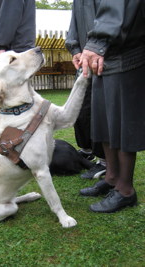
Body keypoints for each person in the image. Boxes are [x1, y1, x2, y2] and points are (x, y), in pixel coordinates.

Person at [77, 0, 145, 213]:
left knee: (120, 124)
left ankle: (125, 190)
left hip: (126, 53)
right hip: (102, 57)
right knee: (104, 122)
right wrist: (76, 45)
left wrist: (98, 41)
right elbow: (80, 11)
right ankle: (112, 177)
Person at [65, 0, 106, 179]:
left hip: (103, 57)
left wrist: (96, 46)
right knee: (81, 109)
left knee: (99, 111)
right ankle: (86, 149)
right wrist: (75, 49)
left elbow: (108, 20)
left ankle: (104, 161)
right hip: (84, 58)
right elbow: (74, 24)